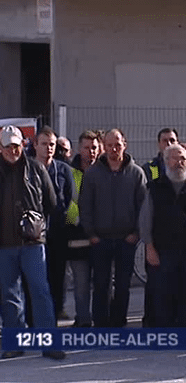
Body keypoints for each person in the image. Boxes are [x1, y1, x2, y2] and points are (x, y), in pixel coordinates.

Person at [0, 125, 65, 360]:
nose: (12, 150)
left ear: (23, 145)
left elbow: (52, 202)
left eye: (16, 145)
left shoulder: (36, 168)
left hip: (33, 244)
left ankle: (50, 343)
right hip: (3, 244)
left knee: (40, 292)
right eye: (7, 146)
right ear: (0, 147)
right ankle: (14, 343)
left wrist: (35, 222)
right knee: (9, 295)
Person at [79, 128, 147, 327]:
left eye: (117, 145)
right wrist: (91, 233)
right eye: (109, 145)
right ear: (104, 147)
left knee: (123, 286)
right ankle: (101, 323)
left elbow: (143, 207)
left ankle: (118, 322)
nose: (113, 149)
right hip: (100, 239)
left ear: (124, 144)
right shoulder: (92, 174)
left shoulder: (136, 173)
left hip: (127, 239)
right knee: (101, 284)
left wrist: (136, 232)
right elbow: (85, 206)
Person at [139, 144, 186, 327]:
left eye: (183, 158)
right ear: (166, 161)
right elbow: (145, 220)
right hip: (162, 252)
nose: (179, 162)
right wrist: (149, 247)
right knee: (162, 295)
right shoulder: (154, 187)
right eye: (175, 158)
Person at [33, 126, 76, 321]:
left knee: (58, 274)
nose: (48, 149)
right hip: (33, 235)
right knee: (34, 277)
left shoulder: (63, 170)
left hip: (58, 233)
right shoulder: (28, 168)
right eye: (44, 144)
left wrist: (65, 223)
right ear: (35, 145)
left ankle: (57, 310)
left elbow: (71, 201)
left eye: (51, 145)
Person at [65, 130, 100, 328]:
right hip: (77, 236)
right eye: (86, 148)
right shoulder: (70, 172)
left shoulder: (105, 171)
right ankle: (83, 320)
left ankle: (102, 319)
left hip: (102, 237)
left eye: (94, 147)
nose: (90, 152)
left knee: (102, 284)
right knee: (81, 284)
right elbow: (67, 205)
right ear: (79, 149)